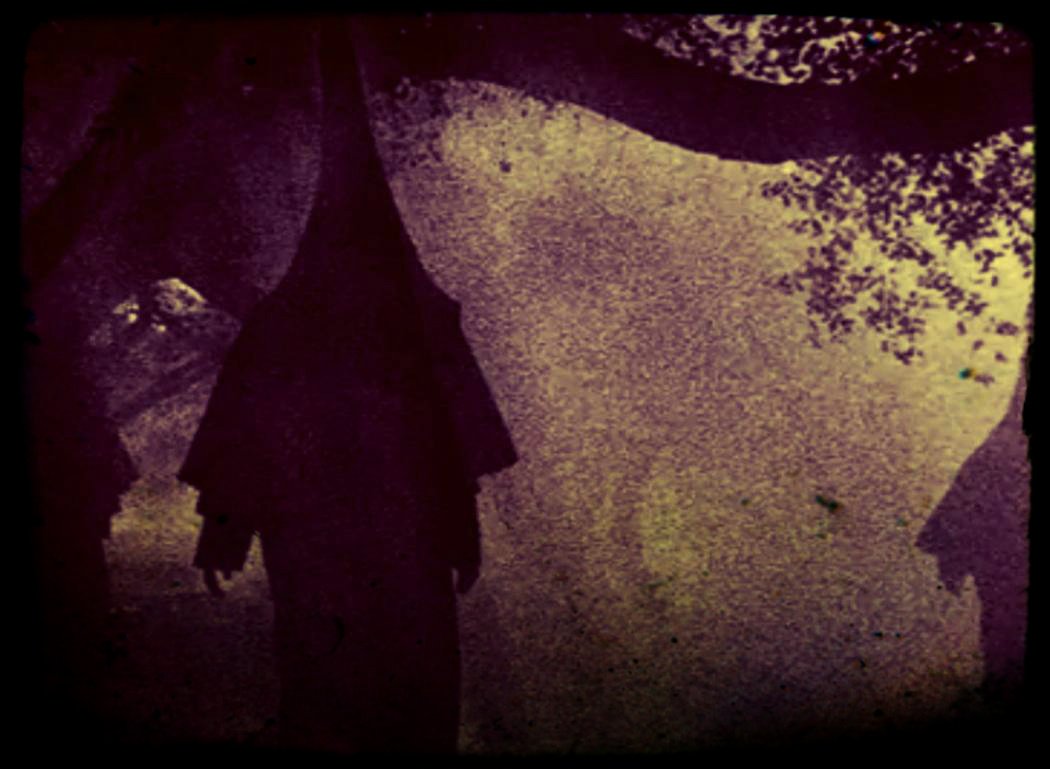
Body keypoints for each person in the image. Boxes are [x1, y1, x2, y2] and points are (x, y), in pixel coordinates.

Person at [176, 20, 517, 754]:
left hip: (370, 535)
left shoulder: (336, 324)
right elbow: (452, 444)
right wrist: (224, 527)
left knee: (371, 684)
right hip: (353, 534)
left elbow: (448, 443)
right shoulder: (388, 324)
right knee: (356, 684)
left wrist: (225, 528)